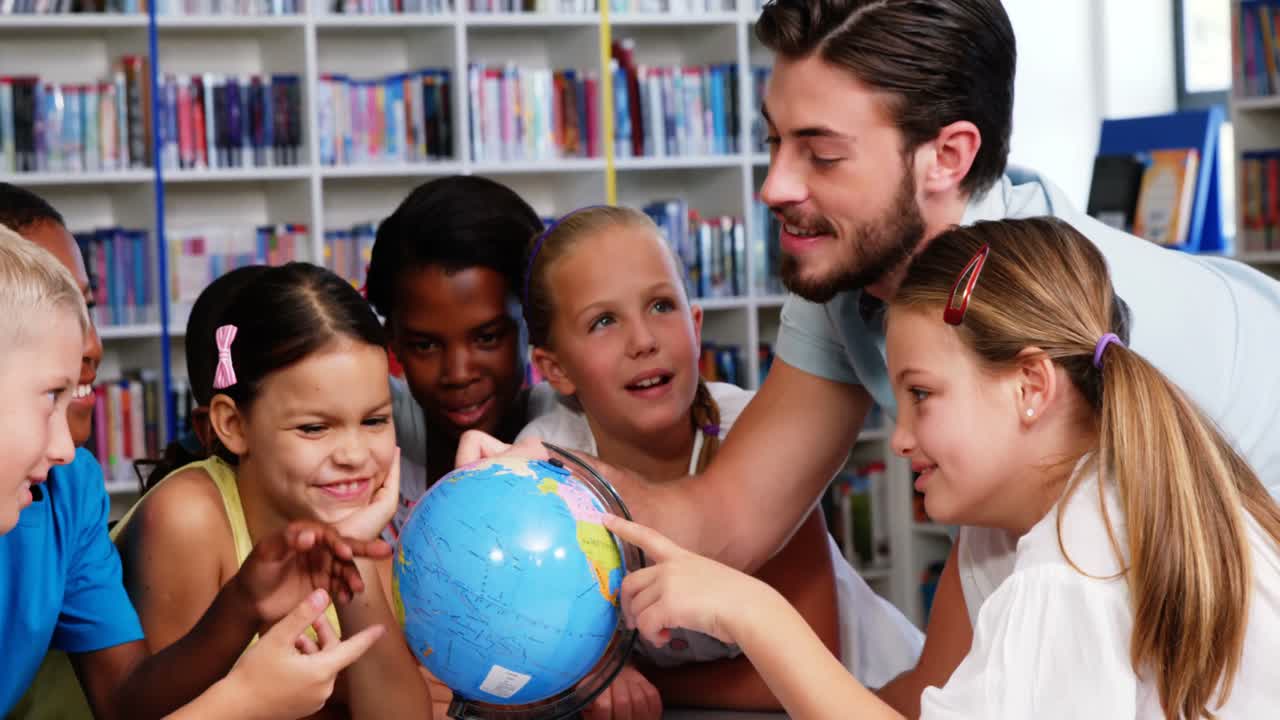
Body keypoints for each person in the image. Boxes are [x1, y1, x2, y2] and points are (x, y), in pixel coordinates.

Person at [459, 1, 1280, 715]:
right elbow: (729, 518)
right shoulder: (867, 281)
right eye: (775, 141)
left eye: (821, 153)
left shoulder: (1079, 353)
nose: (775, 184)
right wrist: (540, 478)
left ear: (947, 156)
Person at [605, 217, 1280, 719]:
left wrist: (755, 614)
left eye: (921, 395)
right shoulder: (1043, 521)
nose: (898, 440)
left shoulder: (1069, 568)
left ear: (1031, 387)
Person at [0, 190, 392, 720]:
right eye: (49, 394)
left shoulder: (72, 486)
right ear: (230, 425)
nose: (91, 344)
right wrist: (245, 700)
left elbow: (126, 704)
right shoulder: (183, 513)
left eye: (88, 308)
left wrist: (244, 604)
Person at [517, 205, 921, 714]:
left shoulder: (755, 440)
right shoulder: (546, 461)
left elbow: (798, 671)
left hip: (881, 695)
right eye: (603, 321)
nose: (643, 341)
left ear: (696, 323)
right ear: (553, 368)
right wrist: (586, 674)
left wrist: (624, 680)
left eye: (662, 306)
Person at [364, 176, 557, 541]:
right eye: (425, 345)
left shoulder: (571, 428)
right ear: (393, 341)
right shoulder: (366, 438)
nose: (458, 373)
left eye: (487, 338)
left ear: (534, 326)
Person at [147, 264, 272, 489]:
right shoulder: (186, 516)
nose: (353, 454)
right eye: (312, 427)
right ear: (225, 426)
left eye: (360, 421)